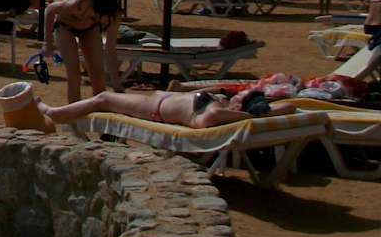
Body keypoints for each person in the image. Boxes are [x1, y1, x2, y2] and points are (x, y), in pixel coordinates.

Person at [37, 87, 297, 130]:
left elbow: (289, 107)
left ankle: (54, 114)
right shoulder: (220, 102)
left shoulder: (215, 112)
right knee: (104, 97)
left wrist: (250, 114)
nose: (239, 94)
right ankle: (55, 113)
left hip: (154, 108)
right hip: (156, 99)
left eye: (242, 96)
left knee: (103, 98)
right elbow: (290, 105)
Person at [42, 0, 122, 105]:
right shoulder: (76, 3)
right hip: (65, 27)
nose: (105, 23)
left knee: (98, 75)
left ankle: (99, 109)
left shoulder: (114, 14)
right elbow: (50, 9)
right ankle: (74, 112)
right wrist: (47, 42)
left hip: (90, 29)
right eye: (103, 19)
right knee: (74, 75)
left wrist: (116, 83)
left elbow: (110, 49)